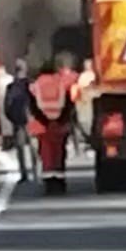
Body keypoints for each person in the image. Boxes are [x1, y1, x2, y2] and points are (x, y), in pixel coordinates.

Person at [29, 53, 76, 195]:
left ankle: (49, 184)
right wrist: (61, 120)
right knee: (59, 153)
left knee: (46, 154)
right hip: (60, 124)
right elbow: (68, 104)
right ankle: (60, 182)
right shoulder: (61, 83)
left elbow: (33, 106)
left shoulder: (36, 85)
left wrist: (45, 121)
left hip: (43, 126)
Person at [4, 58, 37, 183]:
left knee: (21, 148)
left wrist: (12, 118)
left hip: (17, 120)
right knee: (33, 147)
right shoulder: (31, 84)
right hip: (30, 119)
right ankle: (36, 171)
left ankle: (24, 174)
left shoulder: (11, 87)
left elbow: (6, 106)